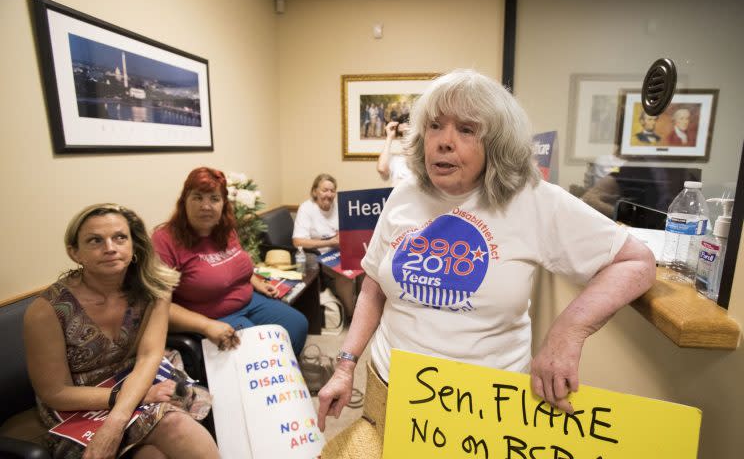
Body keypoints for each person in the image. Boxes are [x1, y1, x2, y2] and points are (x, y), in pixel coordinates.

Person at [316, 69, 656, 457]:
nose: (444, 142)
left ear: (496, 143)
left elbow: (636, 262)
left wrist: (568, 331)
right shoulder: (404, 195)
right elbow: (375, 284)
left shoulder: (533, 200)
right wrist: (345, 366)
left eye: (466, 129)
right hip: (389, 397)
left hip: (481, 414)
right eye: (434, 126)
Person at [24, 203, 219, 458]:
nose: (110, 248)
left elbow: (149, 356)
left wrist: (118, 419)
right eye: (95, 240)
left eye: (120, 237)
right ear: (75, 253)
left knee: (175, 426)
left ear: (133, 245)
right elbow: (56, 393)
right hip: (77, 406)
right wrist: (137, 398)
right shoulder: (46, 311)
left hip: (134, 380)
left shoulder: (154, 289)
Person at [152, 167, 308, 356]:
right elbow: (157, 307)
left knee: (297, 324)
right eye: (198, 197)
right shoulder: (165, 240)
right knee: (261, 350)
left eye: (214, 199)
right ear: (184, 200)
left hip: (249, 301)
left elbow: (234, 266)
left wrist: (256, 282)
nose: (206, 206)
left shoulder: (225, 230)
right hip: (211, 315)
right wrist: (206, 325)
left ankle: (286, 373)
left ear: (223, 203)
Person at [293, 174, 357, 317]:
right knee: (345, 276)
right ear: (315, 191)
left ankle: (363, 309)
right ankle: (351, 315)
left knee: (367, 268)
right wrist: (330, 242)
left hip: (341, 250)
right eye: (324, 190)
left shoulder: (339, 206)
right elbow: (298, 241)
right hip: (319, 255)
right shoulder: (307, 208)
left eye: (332, 190)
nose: (329, 194)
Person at [376, 117, 414, 185]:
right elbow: (382, 169)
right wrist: (389, 137)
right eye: (402, 134)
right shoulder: (395, 159)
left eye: (408, 133)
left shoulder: (423, 159)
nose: (405, 137)